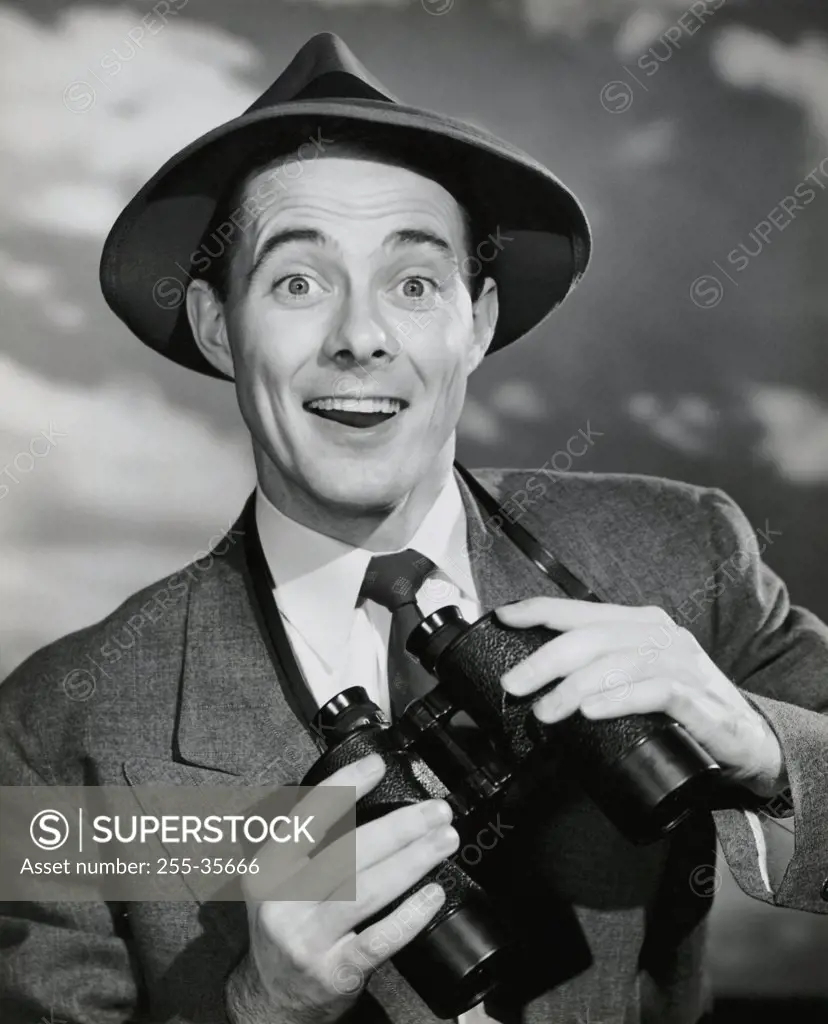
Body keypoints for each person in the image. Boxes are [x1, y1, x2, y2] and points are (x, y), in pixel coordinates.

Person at [1, 31, 826, 1024]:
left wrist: (764, 752)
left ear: (476, 322)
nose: (360, 336)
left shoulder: (679, 554)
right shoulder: (61, 729)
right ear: (220, 326)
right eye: (298, 283)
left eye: (415, 282)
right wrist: (261, 1002)